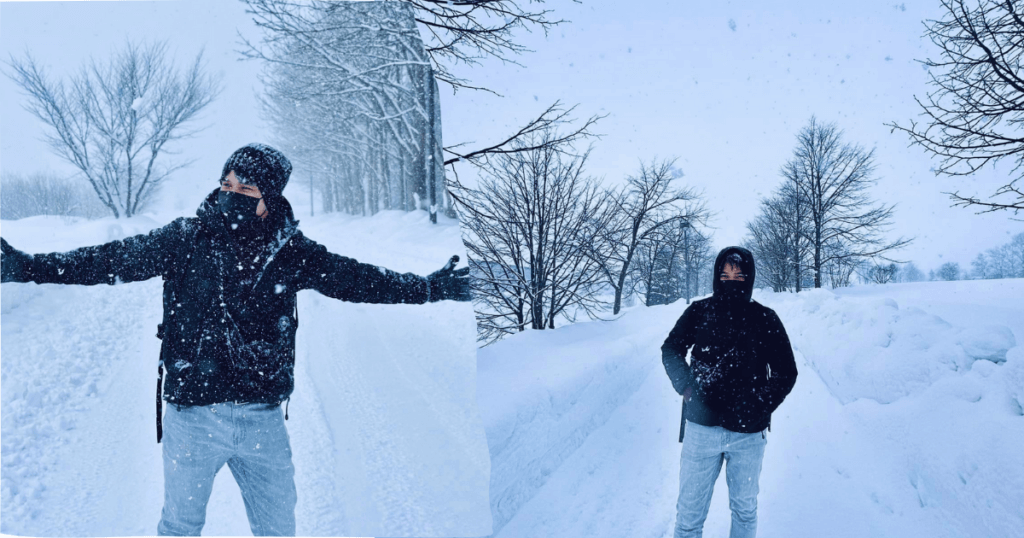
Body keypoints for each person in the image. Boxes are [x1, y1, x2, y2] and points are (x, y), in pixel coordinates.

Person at [0, 143, 472, 537]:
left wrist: (428, 288)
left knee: (278, 531)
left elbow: (357, 279)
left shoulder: (290, 252)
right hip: (192, 418)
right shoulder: (186, 238)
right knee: (180, 528)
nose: (233, 195)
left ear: (271, 197)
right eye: (228, 184)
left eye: (246, 188)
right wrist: (29, 266)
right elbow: (112, 260)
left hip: (262, 421)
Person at [661, 246, 798, 538]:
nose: (730, 281)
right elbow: (671, 349)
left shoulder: (764, 318)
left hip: (748, 436)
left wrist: (760, 404)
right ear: (715, 276)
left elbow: (787, 372)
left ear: (748, 279)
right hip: (700, 430)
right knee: (688, 518)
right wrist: (686, 385)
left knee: (745, 512)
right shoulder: (699, 312)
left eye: (738, 275)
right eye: (724, 274)